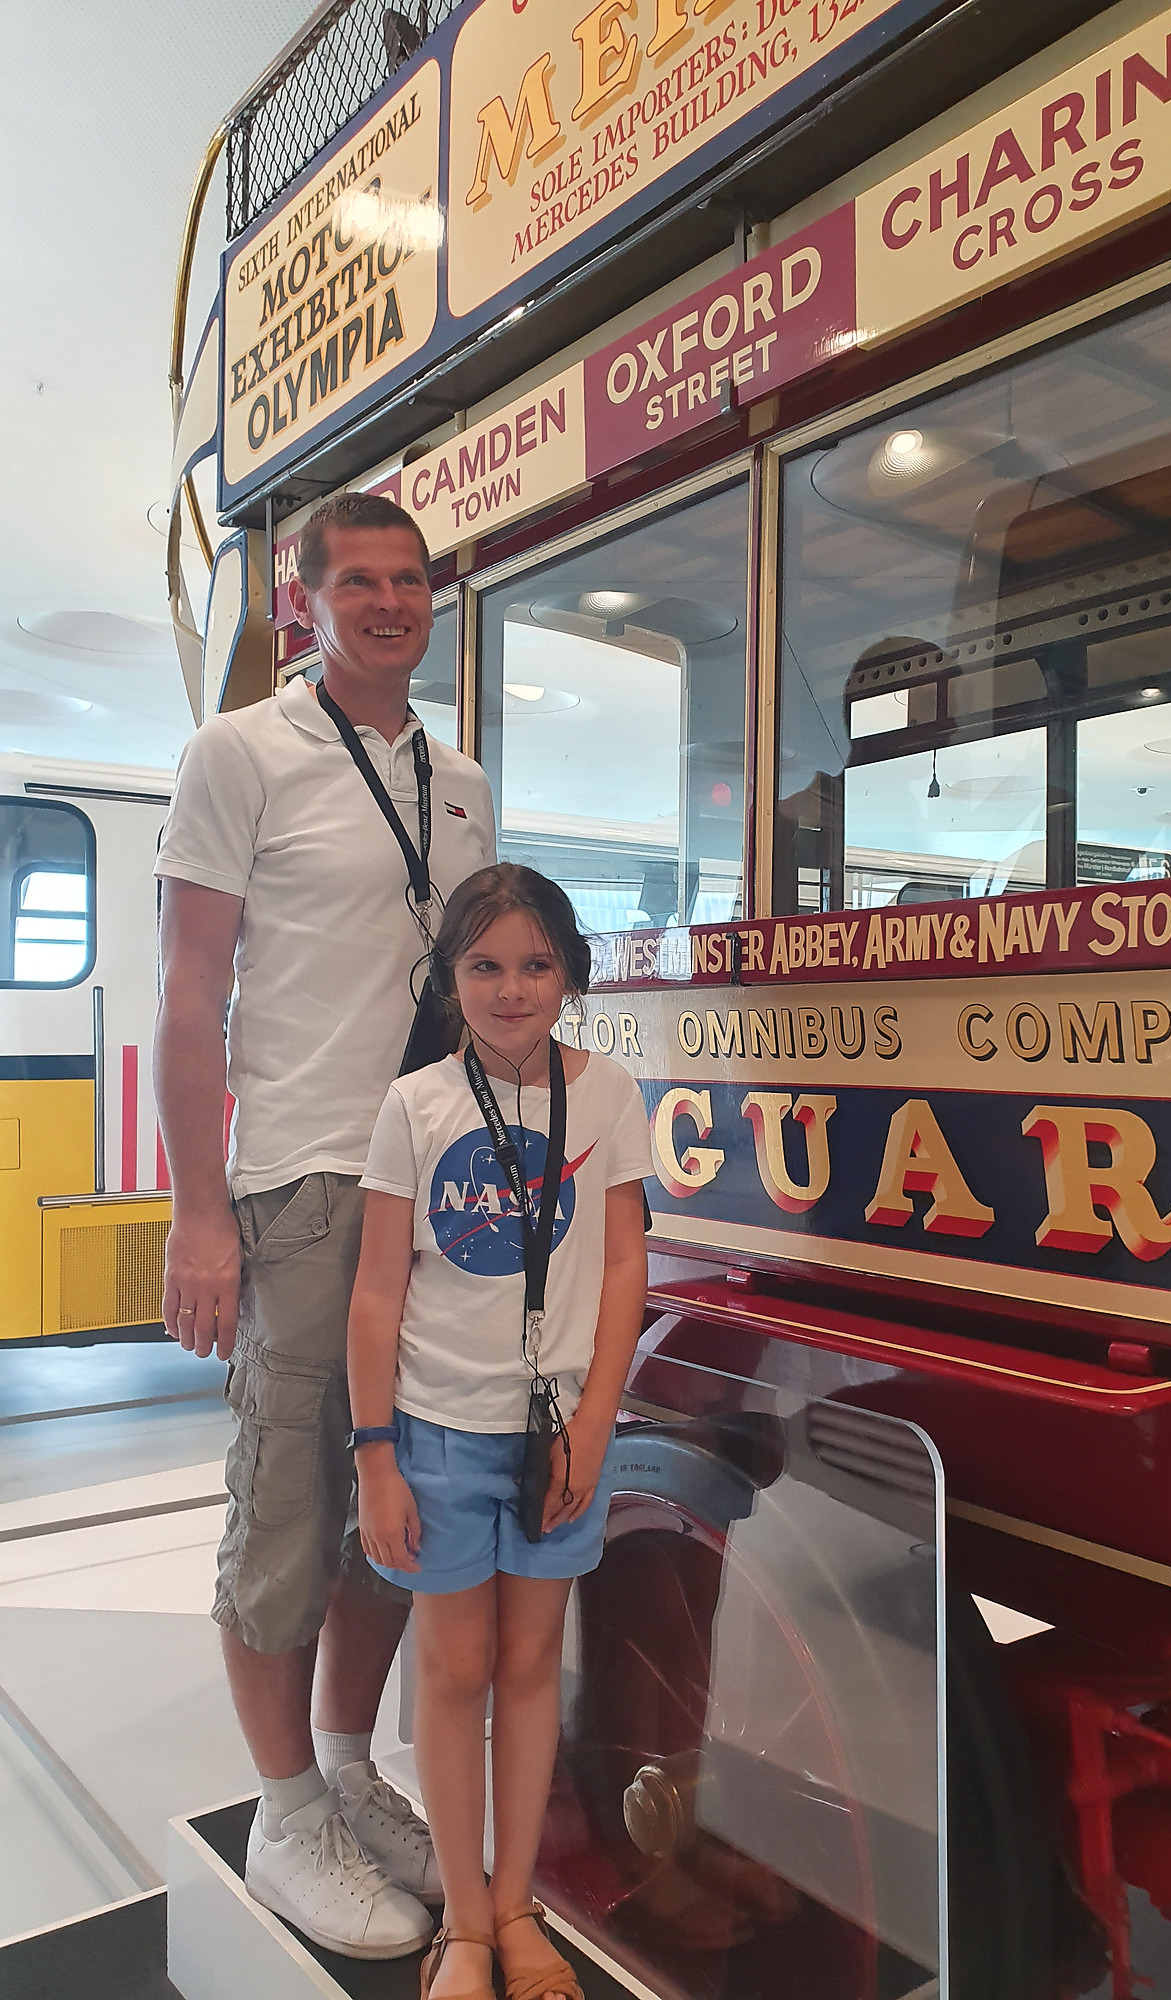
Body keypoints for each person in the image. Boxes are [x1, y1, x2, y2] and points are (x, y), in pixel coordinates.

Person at [154, 491, 496, 1958]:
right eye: (359, 581)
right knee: (288, 1502)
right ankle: (285, 1808)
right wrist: (199, 1209)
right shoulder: (240, 753)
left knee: (393, 1503)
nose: (391, 602)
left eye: (410, 578)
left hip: (437, 1186)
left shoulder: (460, 778)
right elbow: (187, 990)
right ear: (305, 604)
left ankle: (351, 1770)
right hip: (301, 1180)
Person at [348, 863, 651, 2000]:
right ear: (451, 980)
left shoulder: (608, 1092)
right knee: (455, 1668)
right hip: (435, 1433)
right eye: (485, 966)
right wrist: (376, 1455)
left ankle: (517, 1907)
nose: (512, 988)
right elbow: (377, 1292)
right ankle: (465, 1925)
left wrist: (596, 1417)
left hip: (558, 1435)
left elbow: (623, 1265)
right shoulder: (415, 1104)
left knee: (529, 1668)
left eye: (535, 964)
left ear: (569, 973)